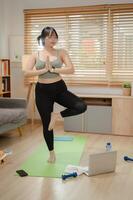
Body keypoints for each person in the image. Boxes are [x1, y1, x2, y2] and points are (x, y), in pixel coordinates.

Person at [24, 26, 87, 163]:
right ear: (43, 38)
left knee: (81, 106)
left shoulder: (61, 52)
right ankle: (51, 153)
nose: (53, 39)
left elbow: (71, 69)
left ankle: (57, 115)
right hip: (42, 92)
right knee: (47, 125)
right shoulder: (35, 55)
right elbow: (26, 72)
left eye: (55, 36)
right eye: (50, 36)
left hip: (59, 88)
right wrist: (43, 71)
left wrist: (53, 69)